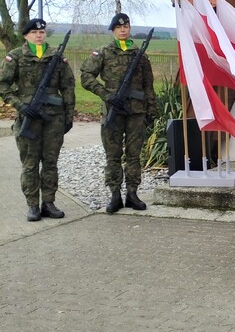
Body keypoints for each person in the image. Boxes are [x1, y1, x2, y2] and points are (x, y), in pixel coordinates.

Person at [80, 13, 157, 213]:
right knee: (113, 156)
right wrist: (106, 94)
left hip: (136, 112)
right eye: (119, 27)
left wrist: (152, 110)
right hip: (113, 111)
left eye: (126, 26)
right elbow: (86, 76)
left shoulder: (140, 55)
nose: (123, 30)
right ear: (113, 30)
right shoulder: (104, 52)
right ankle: (115, 195)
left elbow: (149, 85)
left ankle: (132, 194)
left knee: (134, 155)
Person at [0, 19, 75, 222]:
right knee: (30, 164)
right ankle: (33, 205)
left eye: (42, 32)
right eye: (34, 32)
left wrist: (69, 115)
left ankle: (48, 203)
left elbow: (68, 86)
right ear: (26, 35)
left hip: (53, 119)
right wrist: (21, 105)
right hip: (29, 118)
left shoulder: (57, 57)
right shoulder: (15, 56)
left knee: (50, 163)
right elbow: (3, 86)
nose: (39, 35)